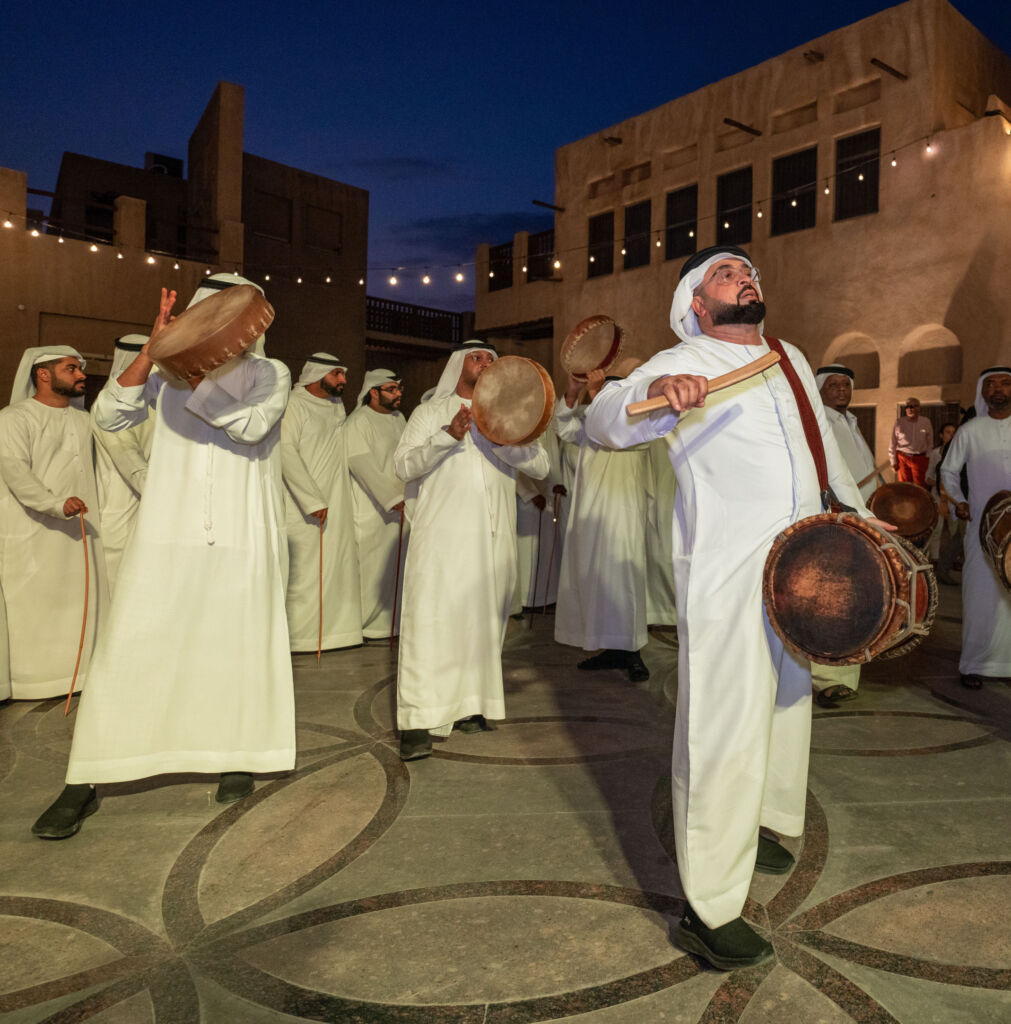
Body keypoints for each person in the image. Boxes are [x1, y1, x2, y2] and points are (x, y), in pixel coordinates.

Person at [583, 245, 890, 970]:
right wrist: (653, 396)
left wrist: (859, 523)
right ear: (694, 299)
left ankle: (754, 821)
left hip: (806, 561)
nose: (744, 278)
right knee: (719, 725)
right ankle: (708, 905)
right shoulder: (673, 360)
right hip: (727, 571)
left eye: (748, 272)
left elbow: (824, 459)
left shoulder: (786, 356)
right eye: (726, 273)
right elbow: (602, 421)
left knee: (787, 702)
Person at [33, 279, 295, 839]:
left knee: (235, 646)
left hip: (242, 532)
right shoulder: (161, 373)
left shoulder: (272, 374)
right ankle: (86, 779)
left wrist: (197, 379)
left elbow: (250, 428)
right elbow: (109, 416)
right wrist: (154, 354)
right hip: (167, 529)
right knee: (132, 644)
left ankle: (237, 753)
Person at [393, 341, 549, 760]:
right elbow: (403, 466)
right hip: (441, 538)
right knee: (431, 623)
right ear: (457, 365)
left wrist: (501, 441)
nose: (486, 364)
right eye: (478, 357)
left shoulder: (510, 414)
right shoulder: (430, 412)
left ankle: (469, 707)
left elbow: (541, 466)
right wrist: (448, 436)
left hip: (493, 538)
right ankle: (417, 721)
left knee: (483, 624)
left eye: (492, 359)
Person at [0, 346, 107, 699]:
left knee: (79, 604)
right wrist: (54, 503)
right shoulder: (14, 418)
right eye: (71, 368)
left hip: (81, 531)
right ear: (43, 374)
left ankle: (82, 674)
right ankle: (36, 682)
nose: (81, 375)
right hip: (35, 531)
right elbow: (15, 470)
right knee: (38, 605)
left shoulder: (83, 420)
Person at [554, 368, 651, 682]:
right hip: (590, 515)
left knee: (624, 581)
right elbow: (564, 428)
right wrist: (572, 394)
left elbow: (613, 432)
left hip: (623, 515)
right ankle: (608, 647)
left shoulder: (637, 424)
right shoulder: (590, 423)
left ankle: (632, 651)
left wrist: (596, 394)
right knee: (596, 582)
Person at [281, 354, 363, 652]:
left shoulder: (336, 406)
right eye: (337, 374)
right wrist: (311, 499)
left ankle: (338, 634)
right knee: (305, 573)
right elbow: (285, 451)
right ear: (318, 375)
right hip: (304, 506)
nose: (343, 380)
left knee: (337, 569)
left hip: (338, 503)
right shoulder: (294, 404)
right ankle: (299, 639)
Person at [810, 363, 878, 708]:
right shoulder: (819, 421)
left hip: (859, 522)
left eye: (845, 385)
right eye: (833, 385)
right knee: (829, 598)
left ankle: (845, 672)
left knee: (853, 598)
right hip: (834, 521)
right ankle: (825, 677)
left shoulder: (850, 422)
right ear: (819, 388)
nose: (841, 390)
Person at [940, 367, 1011, 690]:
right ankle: (974, 663)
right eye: (991, 384)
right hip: (980, 524)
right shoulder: (970, 430)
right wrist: (958, 501)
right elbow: (949, 471)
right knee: (980, 594)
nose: (998, 389)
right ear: (982, 392)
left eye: (1005, 383)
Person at [343, 369, 408, 640]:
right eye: (391, 389)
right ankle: (368, 626)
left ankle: (395, 624)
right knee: (372, 569)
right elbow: (361, 464)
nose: (398, 394)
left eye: (398, 389)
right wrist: (392, 498)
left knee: (398, 567)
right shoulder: (357, 422)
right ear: (373, 392)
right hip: (372, 509)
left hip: (403, 507)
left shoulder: (399, 418)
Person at [92, 336, 154, 592]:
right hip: (118, 519)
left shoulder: (155, 406)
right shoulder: (109, 409)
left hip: (149, 515)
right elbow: (132, 465)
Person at [889, 397, 933, 485]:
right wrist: (893, 462)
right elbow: (893, 443)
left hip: (920, 459)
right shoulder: (899, 422)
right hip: (903, 458)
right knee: (905, 486)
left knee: (920, 487)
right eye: (908, 407)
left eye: (913, 406)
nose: (910, 409)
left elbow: (930, 441)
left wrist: (927, 458)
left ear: (919, 408)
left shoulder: (925, 421)